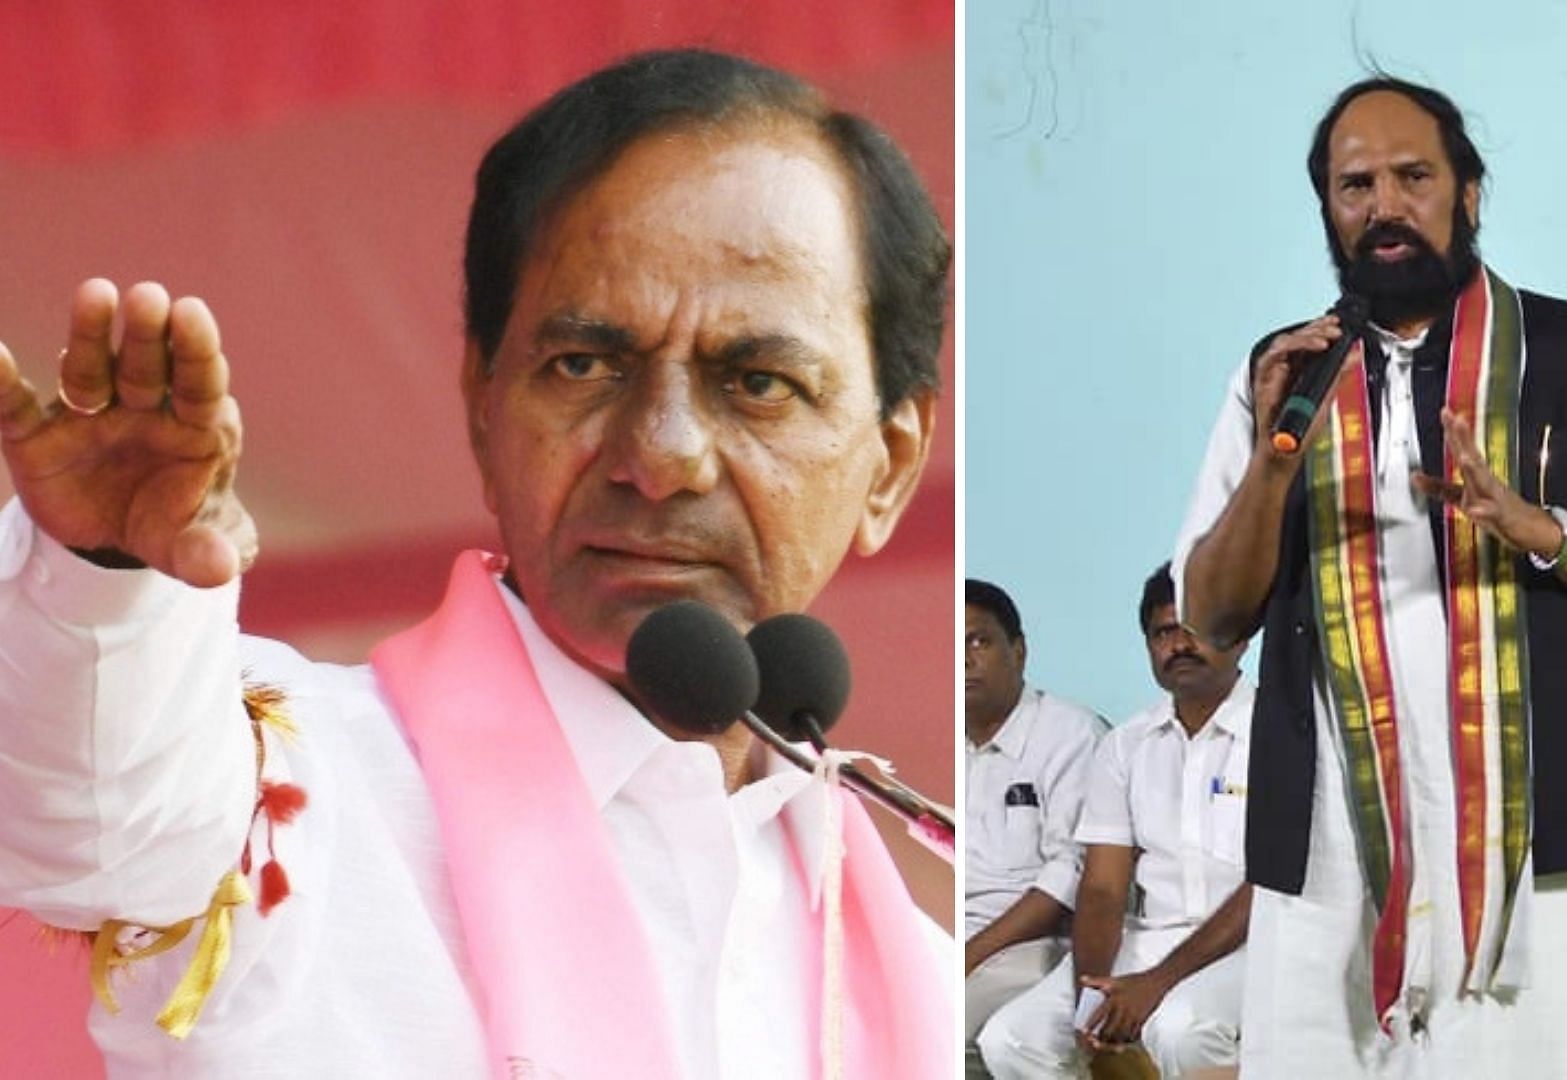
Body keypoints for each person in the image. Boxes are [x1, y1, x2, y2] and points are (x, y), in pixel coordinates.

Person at [0, 50, 950, 1079]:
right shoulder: (286, 790)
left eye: (758, 382)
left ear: (891, 466)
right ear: (483, 403)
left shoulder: (923, 974)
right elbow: (86, 804)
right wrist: (101, 574)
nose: (664, 453)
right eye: (584, 365)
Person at [1174, 76, 1567, 1077]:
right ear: (1328, 210)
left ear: (1470, 194)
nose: (1384, 206)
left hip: (1541, 854)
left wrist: (1540, 529)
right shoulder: (1285, 372)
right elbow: (1209, 616)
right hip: (1334, 858)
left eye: (1413, 176)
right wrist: (1272, 463)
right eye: (1355, 185)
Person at [979, 563, 1254, 1078]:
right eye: (1164, 633)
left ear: (1238, 640)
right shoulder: (1125, 746)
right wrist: (1093, 989)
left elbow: (1266, 885)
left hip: (1251, 945)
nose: (1180, 645)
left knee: (1180, 1029)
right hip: (1148, 938)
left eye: (1195, 629)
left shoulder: (1279, 734)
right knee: (1012, 1039)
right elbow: (1103, 888)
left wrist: (1156, 983)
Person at [963, 578, 1106, 1074]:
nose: (964, 660)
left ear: (1018, 652)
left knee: (940, 1025)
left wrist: (969, 955)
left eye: (978, 641)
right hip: (958, 940)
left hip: (1036, 946)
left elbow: (1070, 877)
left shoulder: (1071, 734)